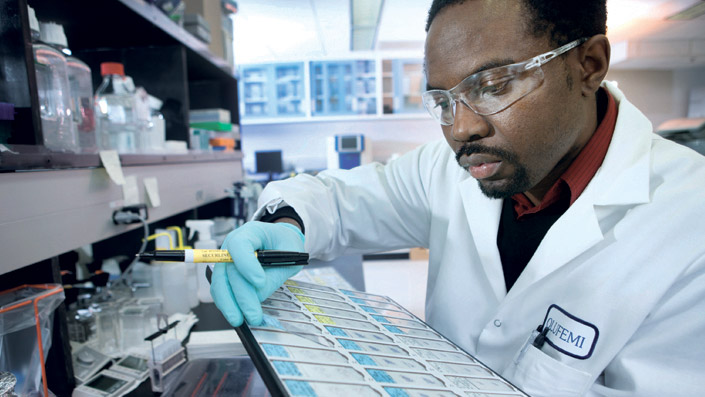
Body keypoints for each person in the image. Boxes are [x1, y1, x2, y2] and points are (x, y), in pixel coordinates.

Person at [211, 0, 705, 395]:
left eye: (492, 85)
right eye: (442, 101)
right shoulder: (446, 169)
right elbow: (336, 200)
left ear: (589, 65)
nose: (461, 128)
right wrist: (288, 225)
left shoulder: (691, 221)